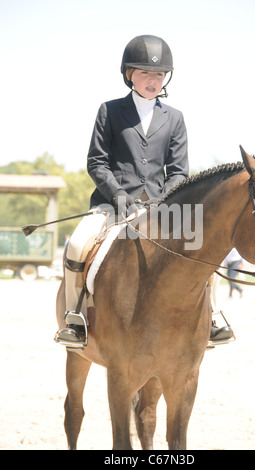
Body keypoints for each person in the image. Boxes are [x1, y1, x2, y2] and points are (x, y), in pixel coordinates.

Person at [55, 34, 233, 348]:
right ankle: (75, 318)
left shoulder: (174, 118)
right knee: (77, 245)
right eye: (145, 73)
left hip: (163, 206)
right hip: (112, 204)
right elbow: (97, 162)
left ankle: (213, 316)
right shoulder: (109, 111)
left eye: (159, 74)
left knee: (203, 246)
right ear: (129, 75)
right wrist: (119, 196)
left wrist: (163, 202)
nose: (153, 79)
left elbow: (178, 169)